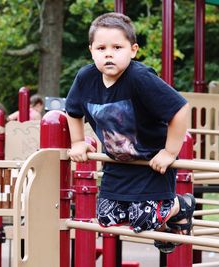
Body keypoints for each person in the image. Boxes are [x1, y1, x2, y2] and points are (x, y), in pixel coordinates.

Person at [65, 12, 193, 254]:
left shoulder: (139, 78)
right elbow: (72, 110)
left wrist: (169, 151)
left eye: (117, 47)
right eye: (101, 48)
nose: (109, 53)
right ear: (91, 50)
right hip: (118, 166)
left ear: (133, 50)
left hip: (151, 164)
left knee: (143, 221)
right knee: (106, 218)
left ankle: (180, 205)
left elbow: (180, 108)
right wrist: (78, 141)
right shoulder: (86, 78)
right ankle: (164, 221)